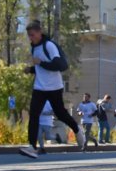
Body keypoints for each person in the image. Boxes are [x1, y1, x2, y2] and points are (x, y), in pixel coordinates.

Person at [19, 20, 84, 159]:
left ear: (40, 32)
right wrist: (30, 69)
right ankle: (32, 147)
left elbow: (60, 65)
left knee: (60, 114)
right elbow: (41, 70)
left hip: (54, 87)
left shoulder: (49, 45)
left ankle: (77, 129)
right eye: (29, 36)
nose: (31, 38)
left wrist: (40, 63)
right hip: (39, 87)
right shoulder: (34, 48)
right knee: (34, 115)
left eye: (33, 35)